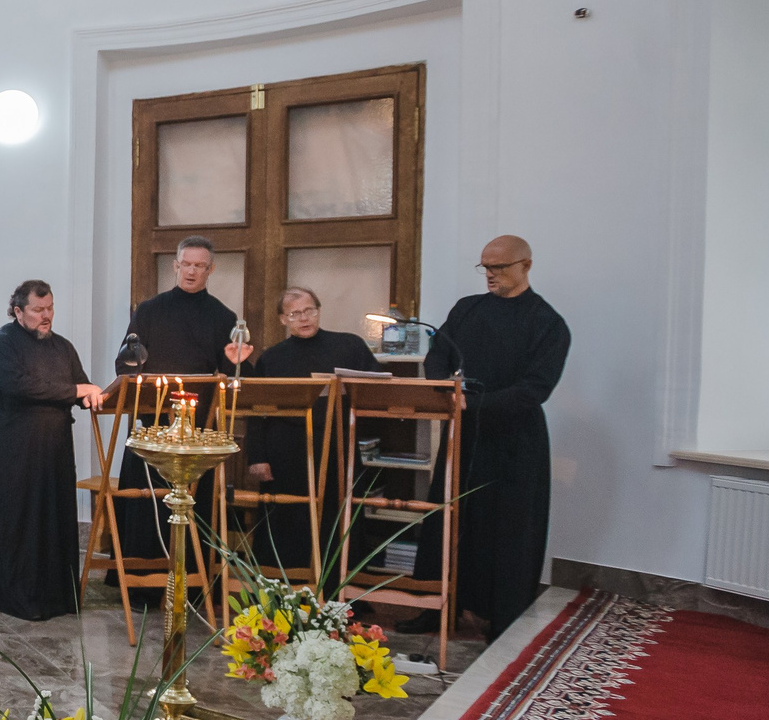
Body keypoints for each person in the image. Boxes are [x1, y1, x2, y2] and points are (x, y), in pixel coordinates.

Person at [418, 236, 571, 640]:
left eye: (499, 268)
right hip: (463, 436)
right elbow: (438, 352)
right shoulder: (467, 309)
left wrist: (473, 403)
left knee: (506, 529)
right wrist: (439, 386)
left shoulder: (547, 322)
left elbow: (535, 388)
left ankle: (503, 616)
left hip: (514, 440)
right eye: (484, 267)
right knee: (448, 518)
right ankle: (434, 608)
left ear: (527, 266)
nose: (490, 274)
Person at [113, 237, 252, 598]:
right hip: (153, 431)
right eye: (186, 264)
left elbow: (233, 378)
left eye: (200, 266)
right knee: (146, 510)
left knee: (197, 513)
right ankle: (140, 589)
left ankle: (193, 586)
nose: (192, 271)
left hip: (198, 439)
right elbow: (126, 364)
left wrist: (237, 361)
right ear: (175, 266)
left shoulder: (223, 317)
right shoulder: (149, 310)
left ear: (211, 270)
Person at [0, 281, 104, 623]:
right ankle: (14, 594)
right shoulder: (0, 344)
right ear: (18, 311)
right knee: (19, 517)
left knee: (54, 517)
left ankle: (57, 595)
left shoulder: (63, 347)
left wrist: (91, 395)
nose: (47, 316)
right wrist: (76, 389)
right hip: (15, 444)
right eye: (38, 310)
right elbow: (20, 386)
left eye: (50, 309)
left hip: (56, 446)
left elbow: (78, 385)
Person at [243, 287, 381, 570]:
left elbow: (378, 389)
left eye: (309, 311)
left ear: (318, 310)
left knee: (337, 516)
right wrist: (257, 457)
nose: (303, 318)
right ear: (283, 320)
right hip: (285, 451)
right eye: (294, 313)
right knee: (287, 517)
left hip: (336, 446)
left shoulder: (349, 346)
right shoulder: (271, 358)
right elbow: (256, 413)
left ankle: (338, 593)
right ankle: (282, 588)